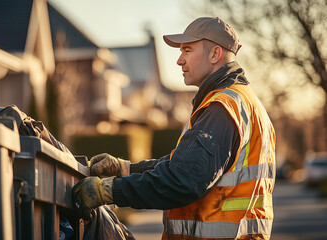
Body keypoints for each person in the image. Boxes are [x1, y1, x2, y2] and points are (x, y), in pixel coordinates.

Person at [72, 17, 276, 240]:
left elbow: (182, 180)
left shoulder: (222, 108)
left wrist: (109, 190)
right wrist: (126, 169)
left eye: (187, 50)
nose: (179, 60)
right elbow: (183, 165)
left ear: (215, 54)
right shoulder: (246, 103)